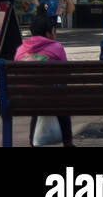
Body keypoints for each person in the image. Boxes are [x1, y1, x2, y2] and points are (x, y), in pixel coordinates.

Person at [15, 10, 73, 147]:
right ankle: (68, 142)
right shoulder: (57, 47)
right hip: (52, 98)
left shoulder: (20, 49)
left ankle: (32, 142)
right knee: (59, 99)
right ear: (48, 33)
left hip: (24, 100)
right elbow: (66, 73)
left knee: (37, 97)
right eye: (53, 30)